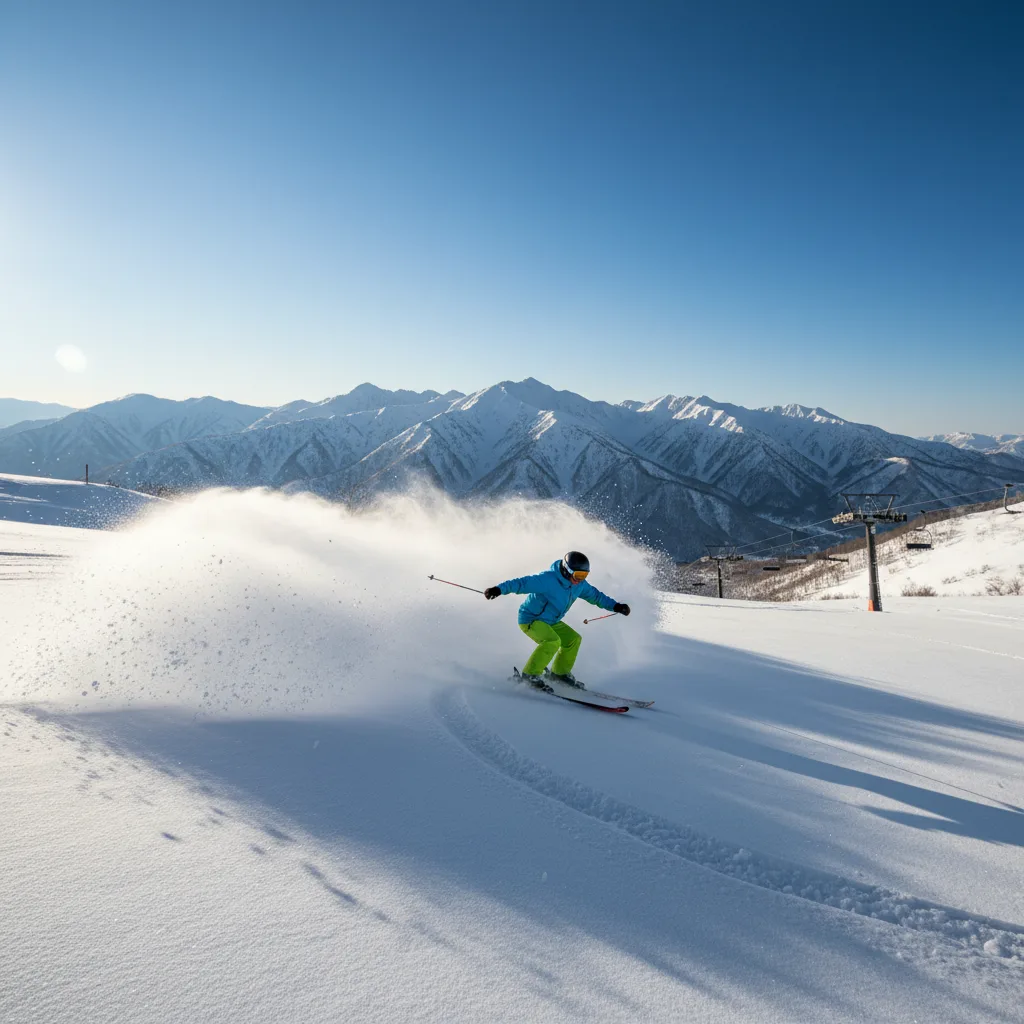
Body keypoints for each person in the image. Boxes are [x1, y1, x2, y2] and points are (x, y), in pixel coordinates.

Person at [484, 551, 630, 690]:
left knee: (573, 639)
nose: (580, 579)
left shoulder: (579, 585)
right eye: (578, 574)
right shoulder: (547, 579)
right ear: (567, 570)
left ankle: (559, 674)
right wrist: (498, 589)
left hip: (551, 621)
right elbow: (522, 583)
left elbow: (596, 596)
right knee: (552, 641)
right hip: (531, 619)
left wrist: (616, 606)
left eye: (584, 575)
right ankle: (530, 675)